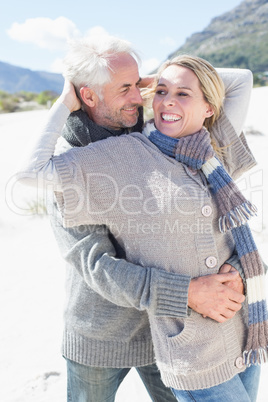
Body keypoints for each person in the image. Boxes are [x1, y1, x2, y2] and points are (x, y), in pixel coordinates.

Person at [17, 37, 258, 402]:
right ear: (89, 96)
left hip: (168, 328)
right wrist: (66, 101)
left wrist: (162, 81)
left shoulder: (163, 138)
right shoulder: (77, 165)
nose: (139, 98)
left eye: (141, 87)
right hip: (104, 334)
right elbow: (96, 265)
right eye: (125, 89)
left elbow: (238, 79)